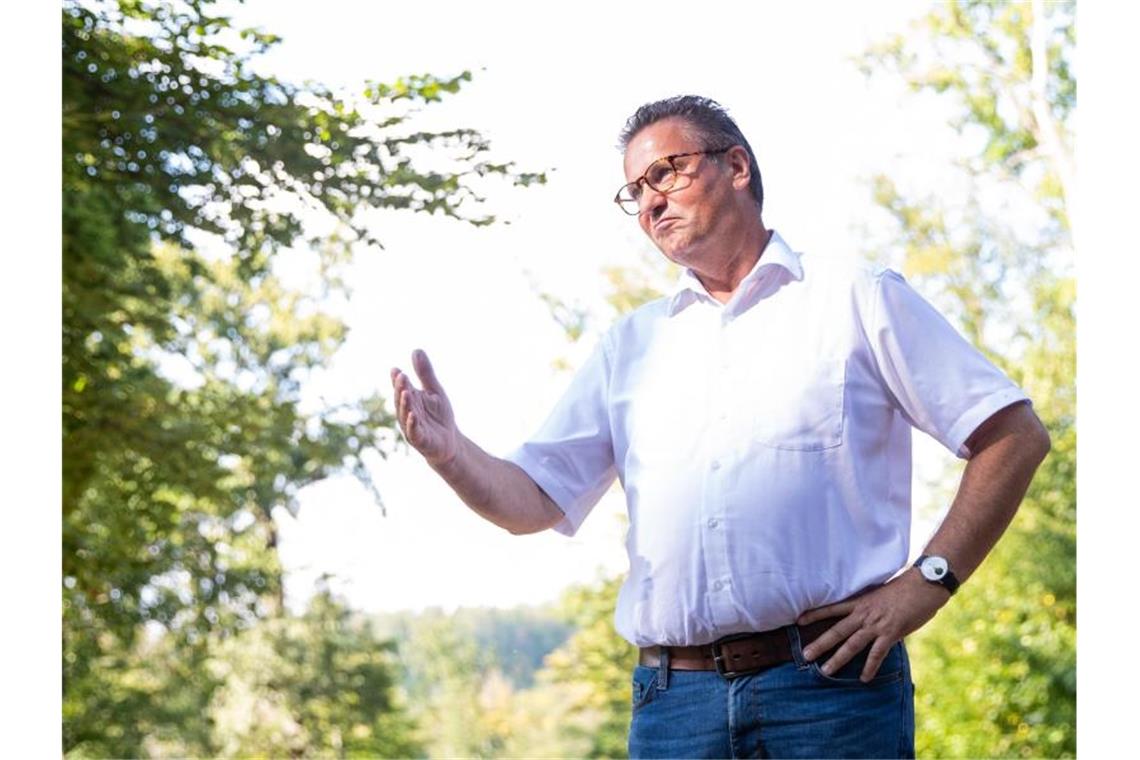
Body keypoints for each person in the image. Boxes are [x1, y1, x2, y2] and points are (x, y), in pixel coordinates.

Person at [389, 95, 1050, 759]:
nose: (649, 203)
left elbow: (1013, 435)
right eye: (635, 191)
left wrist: (929, 582)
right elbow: (531, 500)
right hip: (675, 708)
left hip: (831, 695)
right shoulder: (633, 345)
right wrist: (451, 456)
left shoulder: (854, 298)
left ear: (735, 166)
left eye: (665, 173)